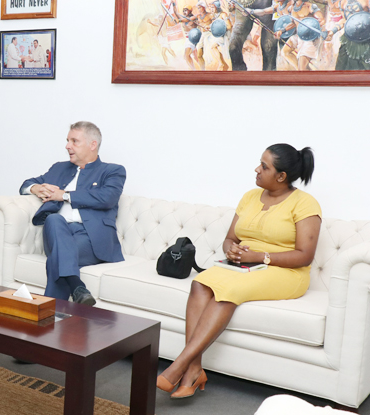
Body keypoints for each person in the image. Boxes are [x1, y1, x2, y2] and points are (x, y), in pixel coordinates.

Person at [157, 144, 321, 399]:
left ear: (281, 176)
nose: (257, 169)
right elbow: (230, 239)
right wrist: (231, 251)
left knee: (227, 290)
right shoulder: (249, 197)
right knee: (200, 282)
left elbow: (304, 255)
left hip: (285, 271)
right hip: (244, 265)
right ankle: (194, 369)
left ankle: (179, 366)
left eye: (264, 166)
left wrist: (259, 256)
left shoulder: (305, 204)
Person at [19, 121, 126, 305]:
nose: (67, 146)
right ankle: (77, 287)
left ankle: (49, 313)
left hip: (91, 239)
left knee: (57, 258)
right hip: (56, 232)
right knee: (53, 219)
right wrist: (36, 188)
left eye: (74, 141)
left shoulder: (112, 171)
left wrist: (65, 195)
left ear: (92, 144)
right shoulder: (59, 168)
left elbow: (107, 197)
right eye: (68, 141)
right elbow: (25, 184)